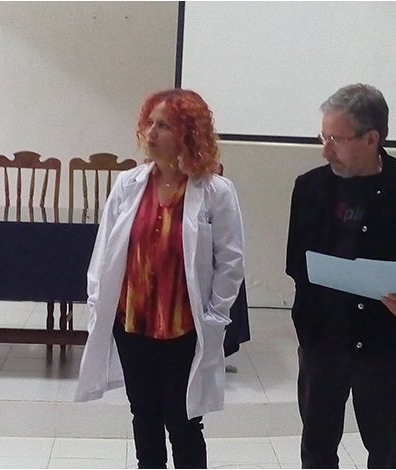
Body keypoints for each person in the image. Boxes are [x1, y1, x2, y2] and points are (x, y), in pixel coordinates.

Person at [285, 83, 396, 468]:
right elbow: (296, 263)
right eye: (323, 137)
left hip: (383, 343)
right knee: (317, 449)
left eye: (336, 139)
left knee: (386, 450)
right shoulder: (309, 188)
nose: (326, 150)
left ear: (371, 138)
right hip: (323, 341)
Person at [75, 88, 245, 468]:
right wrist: (98, 303)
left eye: (164, 125)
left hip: (184, 327)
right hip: (133, 323)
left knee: (183, 421)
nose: (151, 133)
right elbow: (104, 252)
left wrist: (216, 316)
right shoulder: (128, 184)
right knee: (144, 414)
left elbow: (231, 262)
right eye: (149, 123)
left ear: (189, 134)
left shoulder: (215, 192)